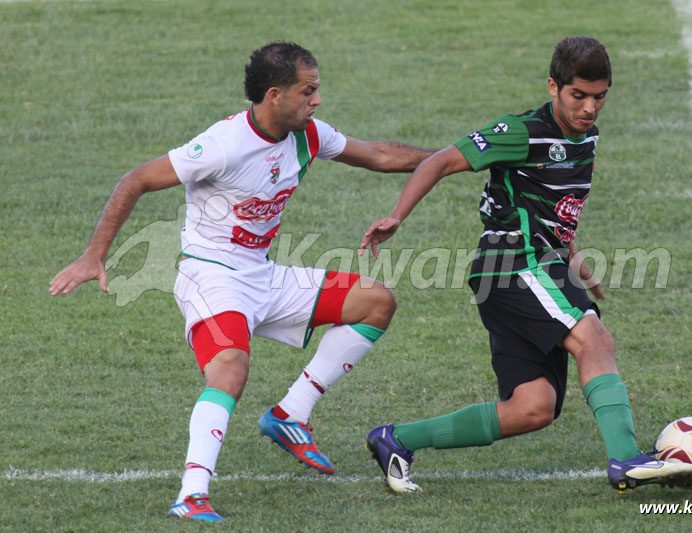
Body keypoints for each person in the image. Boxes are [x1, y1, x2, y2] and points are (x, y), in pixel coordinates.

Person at [49, 41, 435, 522]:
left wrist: (454, 158)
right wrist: (93, 255)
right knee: (230, 368)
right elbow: (136, 179)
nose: (317, 101)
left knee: (376, 302)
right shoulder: (223, 144)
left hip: (262, 274)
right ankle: (192, 494)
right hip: (210, 277)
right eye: (308, 91)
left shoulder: (308, 136)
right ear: (275, 95)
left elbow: (378, 155)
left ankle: (290, 415)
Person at [360, 36, 692, 494]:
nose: (590, 108)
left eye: (600, 97)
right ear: (553, 86)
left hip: (531, 268)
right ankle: (625, 459)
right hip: (512, 263)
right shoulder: (521, 131)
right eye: (578, 95)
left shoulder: (587, 136)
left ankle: (396, 439)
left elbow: (558, 204)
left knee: (532, 407)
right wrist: (397, 216)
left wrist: (574, 257)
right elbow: (439, 161)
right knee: (595, 339)